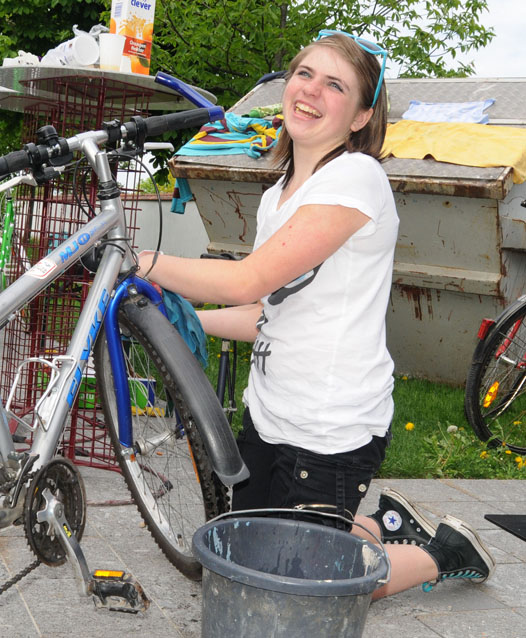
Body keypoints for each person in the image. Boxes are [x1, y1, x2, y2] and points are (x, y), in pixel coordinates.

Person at [138, 31, 495, 599]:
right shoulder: (278, 195)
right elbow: (265, 310)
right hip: (269, 417)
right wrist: (186, 321)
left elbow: (249, 278)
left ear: (361, 116)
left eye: (335, 85)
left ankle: (442, 554)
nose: (310, 90)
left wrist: (142, 261)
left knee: (304, 593)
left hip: (331, 433)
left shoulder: (356, 177)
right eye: (304, 74)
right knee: (243, 565)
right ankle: (384, 524)